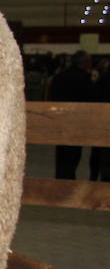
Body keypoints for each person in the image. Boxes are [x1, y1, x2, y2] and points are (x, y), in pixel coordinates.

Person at [48, 50, 96, 180]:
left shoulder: (59, 76)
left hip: (61, 122)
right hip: (77, 123)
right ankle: (68, 183)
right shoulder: (84, 79)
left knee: (62, 156)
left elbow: (52, 97)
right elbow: (90, 101)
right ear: (84, 62)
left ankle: (61, 183)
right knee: (73, 157)